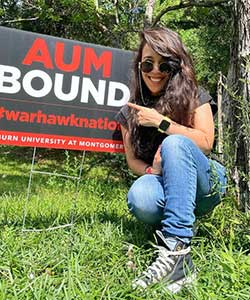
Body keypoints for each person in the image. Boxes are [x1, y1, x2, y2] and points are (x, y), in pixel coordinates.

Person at [116, 26, 227, 293]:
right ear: (139, 66)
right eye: (147, 63)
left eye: (164, 64)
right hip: (164, 182)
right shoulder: (129, 111)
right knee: (140, 195)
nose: (155, 71)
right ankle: (181, 255)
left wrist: (162, 124)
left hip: (206, 183)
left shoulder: (195, 96)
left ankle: (174, 249)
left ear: (176, 65)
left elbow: (205, 143)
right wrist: (152, 170)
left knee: (176, 143)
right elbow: (132, 161)